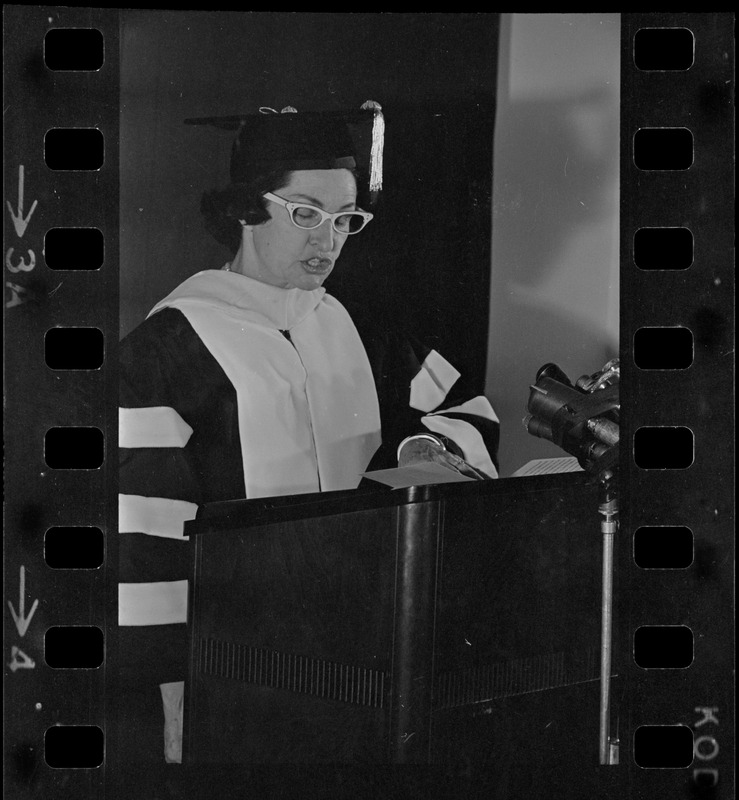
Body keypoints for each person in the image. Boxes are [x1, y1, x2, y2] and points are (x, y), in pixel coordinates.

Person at [117, 102, 500, 771]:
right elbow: (145, 545)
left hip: (367, 653)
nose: (329, 238)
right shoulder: (167, 351)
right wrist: (177, 696)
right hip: (237, 668)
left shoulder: (359, 331)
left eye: (346, 218)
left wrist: (418, 449)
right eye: (305, 212)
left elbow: (462, 409)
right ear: (243, 209)